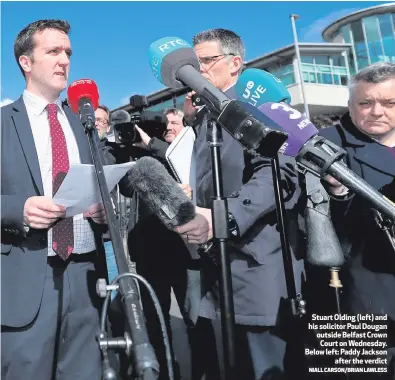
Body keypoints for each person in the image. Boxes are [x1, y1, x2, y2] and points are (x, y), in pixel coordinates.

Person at [176, 28, 306, 379]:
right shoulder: (207, 116)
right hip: (219, 272)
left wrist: (226, 216)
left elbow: (280, 174)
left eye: (206, 60)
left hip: (258, 270)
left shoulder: (258, 108)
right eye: (194, 62)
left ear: (235, 63)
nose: (198, 69)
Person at [1, 19, 107, 380]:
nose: (64, 60)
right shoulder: (2, 123)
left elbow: (112, 191)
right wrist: (19, 209)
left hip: (86, 275)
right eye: (53, 51)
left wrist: (107, 211)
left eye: (68, 53)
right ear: (25, 62)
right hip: (27, 277)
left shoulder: (86, 125)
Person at [318, 62, 395, 378]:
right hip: (362, 293)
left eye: (389, 103)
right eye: (365, 103)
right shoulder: (327, 143)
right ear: (350, 106)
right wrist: (338, 195)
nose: (376, 111)